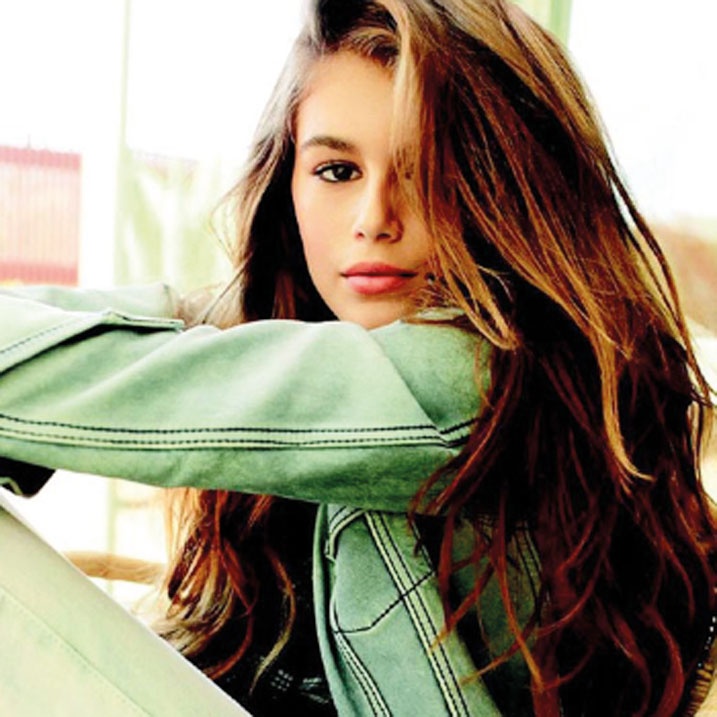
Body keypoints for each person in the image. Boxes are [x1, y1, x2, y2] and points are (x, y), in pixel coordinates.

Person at [0, 0, 715, 715]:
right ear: (288, 184)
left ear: (514, 190)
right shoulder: (315, 334)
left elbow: (67, 380)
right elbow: (131, 327)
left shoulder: (483, 378)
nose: (375, 218)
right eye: (337, 170)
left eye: (428, 171)